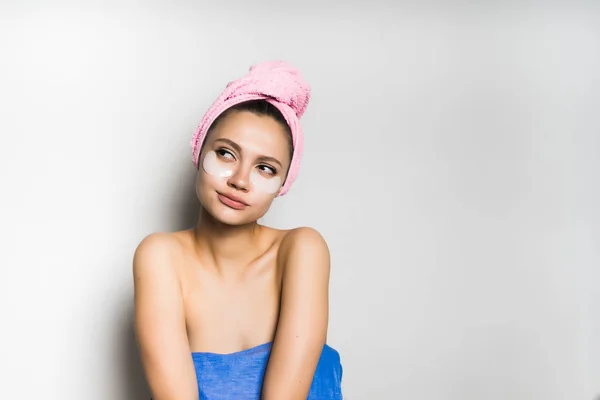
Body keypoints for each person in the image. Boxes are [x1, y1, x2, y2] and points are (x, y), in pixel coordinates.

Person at [133, 61, 343, 400]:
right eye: (226, 153)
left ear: (283, 183)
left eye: (264, 167)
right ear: (199, 150)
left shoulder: (302, 249)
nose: (240, 180)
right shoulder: (161, 256)